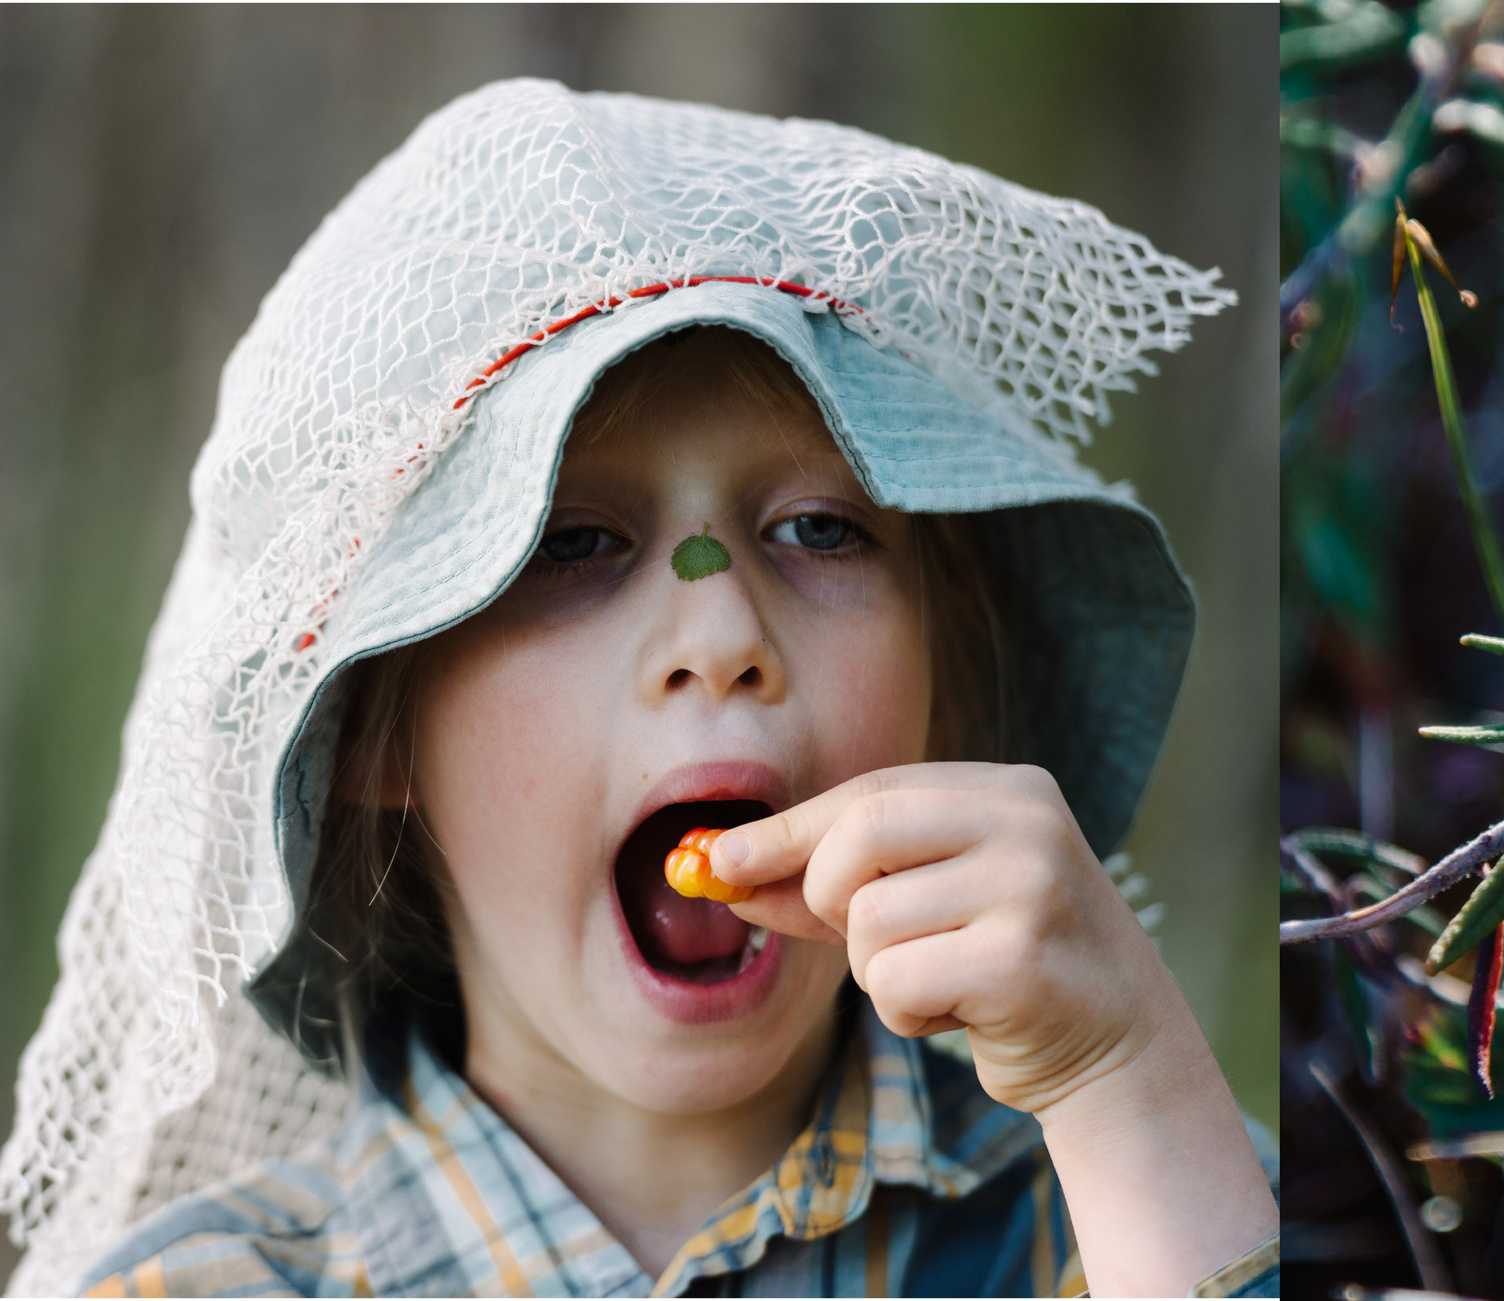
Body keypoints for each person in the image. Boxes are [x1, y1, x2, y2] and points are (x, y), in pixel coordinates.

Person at [0, 79, 1276, 1297]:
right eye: (569, 542)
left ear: (942, 688)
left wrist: (1132, 1086)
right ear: (370, 729)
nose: (719, 627)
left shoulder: (1138, 1208)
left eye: (823, 528)